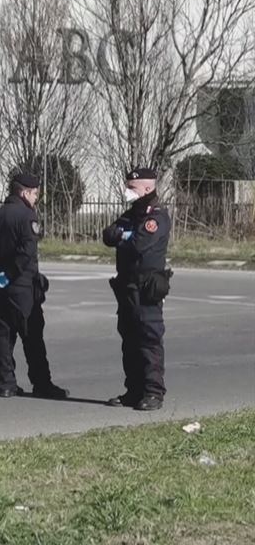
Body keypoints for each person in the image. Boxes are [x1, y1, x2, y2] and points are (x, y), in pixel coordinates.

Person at [0, 173, 69, 399]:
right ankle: (41, 383)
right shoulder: (27, 216)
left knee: (5, 334)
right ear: (24, 192)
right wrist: (9, 275)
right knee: (33, 336)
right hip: (22, 286)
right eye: (35, 193)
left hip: (1, 287)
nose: (36, 198)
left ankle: (7, 383)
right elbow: (27, 253)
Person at [102, 167, 172, 411]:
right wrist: (124, 235)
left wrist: (124, 237)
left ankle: (153, 392)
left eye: (132, 188)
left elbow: (139, 244)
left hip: (147, 287)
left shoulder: (157, 216)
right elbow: (108, 234)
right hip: (127, 286)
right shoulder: (132, 214)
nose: (128, 192)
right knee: (129, 341)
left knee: (149, 341)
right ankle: (133, 391)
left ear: (146, 188)